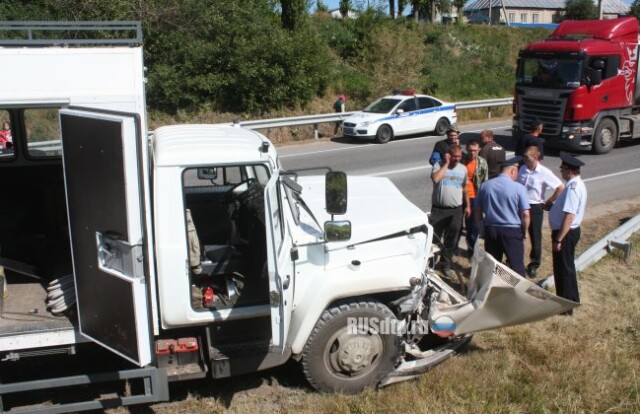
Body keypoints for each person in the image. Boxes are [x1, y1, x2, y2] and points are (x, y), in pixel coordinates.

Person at [475, 156, 530, 276]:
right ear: (512, 170)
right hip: (512, 230)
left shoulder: (485, 186)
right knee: (517, 266)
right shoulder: (518, 188)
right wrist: (524, 232)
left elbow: (477, 209)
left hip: (491, 229)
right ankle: (518, 292)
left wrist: (481, 227)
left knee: (493, 265)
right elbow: (525, 214)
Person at [517, 146, 564, 278]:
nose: (525, 161)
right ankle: (514, 260)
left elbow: (560, 187)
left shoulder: (543, 172)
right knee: (518, 232)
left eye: (528, 159)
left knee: (535, 236)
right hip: (520, 205)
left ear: (536, 158)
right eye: (525, 158)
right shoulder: (522, 169)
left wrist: (549, 202)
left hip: (535, 206)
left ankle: (534, 264)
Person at [549, 152, 587, 314]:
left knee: (563, 269)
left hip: (565, 233)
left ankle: (565, 307)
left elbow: (569, 217)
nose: (560, 171)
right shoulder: (576, 184)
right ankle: (570, 300)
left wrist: (558, 240)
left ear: (569, 170)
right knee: (567, 267)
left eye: (562, 169)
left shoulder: (572, 188)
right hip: (568, 232)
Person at [430, 144, 470, 277]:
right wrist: (446, 164)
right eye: (454, 156)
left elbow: (464, 189)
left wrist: (468, 205)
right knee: (434, 238)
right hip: (439, 210)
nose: (457, 159)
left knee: (452, 239)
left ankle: (446, 264)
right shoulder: (439, 165)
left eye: (459, 156)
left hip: (456, 210)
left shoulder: (463, 169)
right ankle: (431, 263)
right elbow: (435, 179)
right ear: (448, 155)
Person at [462, 139, 488, 255]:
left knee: (473, 225)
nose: (472, 153)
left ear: (479, 150)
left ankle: (472, 249)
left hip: (474, 197)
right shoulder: (462, 161)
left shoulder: (482, 163)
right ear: (466, 149)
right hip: (461, 196)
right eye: (470, 150)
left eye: (475, 150)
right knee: (463, 225)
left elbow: (485, 182)